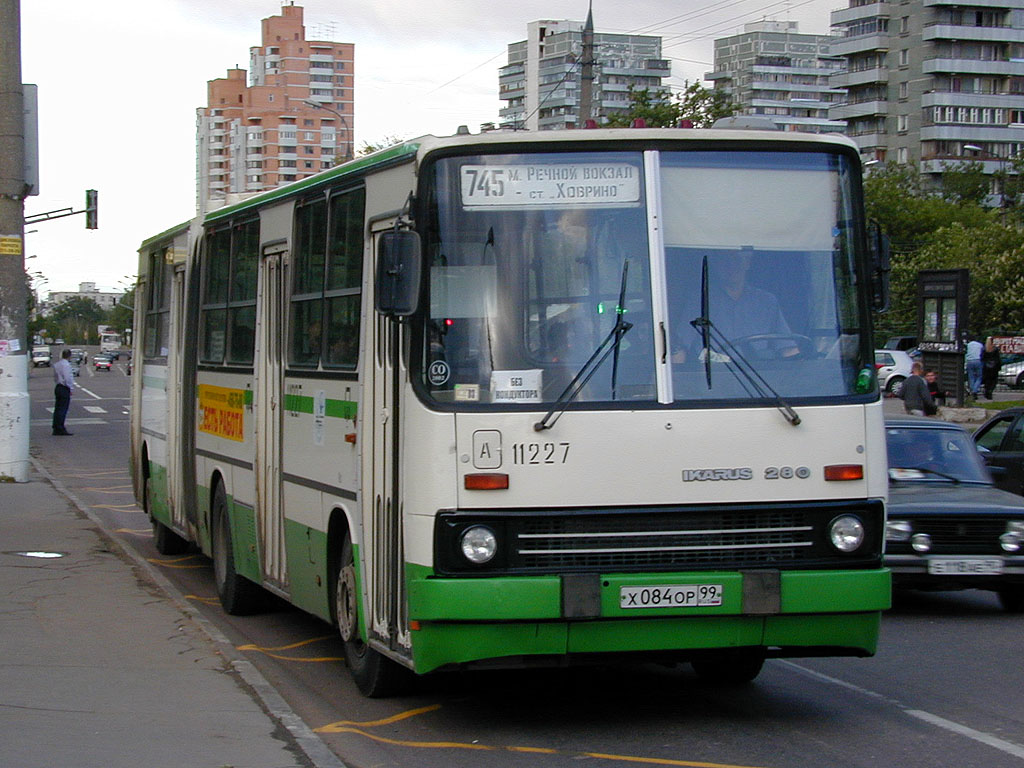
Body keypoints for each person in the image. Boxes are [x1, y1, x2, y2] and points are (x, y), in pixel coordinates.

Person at [673, 249, 797, 362]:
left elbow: (787, 349)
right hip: (712, 378)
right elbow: (680, 348)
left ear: (747, 263)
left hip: (759, 378)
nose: (731, 267)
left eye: (737, 260)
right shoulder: (700, 301)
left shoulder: (767, 301)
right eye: (725, 261)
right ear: (716, 265)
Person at [52, 348, 74, 436]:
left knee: (57, 408)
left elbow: (55, 377)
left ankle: (56, 426)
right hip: (64, 388)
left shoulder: (57, 364)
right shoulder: (66, 365)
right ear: (69, 356)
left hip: (58, 386)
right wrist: (70, 388)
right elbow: (67, 378)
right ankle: (60, 428)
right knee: (63, 409)